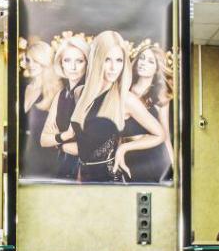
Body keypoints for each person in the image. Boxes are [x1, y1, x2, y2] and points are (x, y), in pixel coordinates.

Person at [63, 30, 165, 183]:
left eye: (119, 60)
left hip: (110, 179)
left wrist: (123, 148)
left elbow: (159, 134)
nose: (113, 67)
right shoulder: (80, 93)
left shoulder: (125, 99)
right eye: (107, 59)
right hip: (83, 177)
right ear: (97, 60)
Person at [121, 42, 174, 184]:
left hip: (156, 157)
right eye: (142, 58)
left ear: (157, 68)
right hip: (130, 157)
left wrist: (173, 166)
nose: (143, 63)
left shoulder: (161, 96)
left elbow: (165, 134)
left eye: (150, 61)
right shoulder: (124, 90)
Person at [40, 35, 88, 182]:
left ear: (87, 63)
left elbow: (89, 149)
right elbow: (43, 140)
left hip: (88, 171)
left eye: (79, 61)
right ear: (61, 63)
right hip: (64, 167)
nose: (73, 67)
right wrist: (65, 136)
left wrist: (58, 142)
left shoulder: (92, 94)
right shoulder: (61, 95)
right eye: (67, 60)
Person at [22, 40, 61, 179]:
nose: (31, 64)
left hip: (48, 161)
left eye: (36, 60)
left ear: (45, 61)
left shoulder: (57, 90)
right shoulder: (25, 88)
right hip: (25, 158)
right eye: (28, 60)